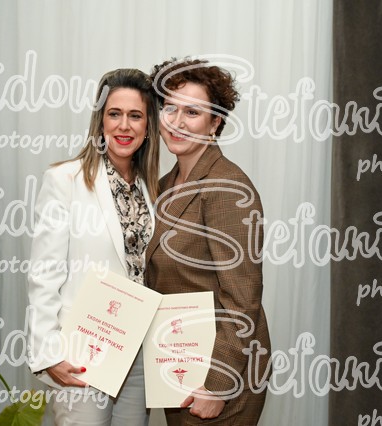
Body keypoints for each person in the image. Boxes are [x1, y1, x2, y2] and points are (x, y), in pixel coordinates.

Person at [27, 68, 159, 425]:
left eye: (136, 116)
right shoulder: (65, 180)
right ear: (100, 121)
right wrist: (49, 353)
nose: (124, 126)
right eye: (114, 114)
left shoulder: (153, 189)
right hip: (82, 353)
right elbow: (44, 273)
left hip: (138, 354)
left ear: (148, 126)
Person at [146, 58, 271, 425]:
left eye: (192, 112)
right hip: (181, 360)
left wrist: (218, 384)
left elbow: (243, 296)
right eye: (170, 108)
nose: (177, 122)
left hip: (221, 370)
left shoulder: (227, 188)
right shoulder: (164, 186)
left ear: (215, 122)